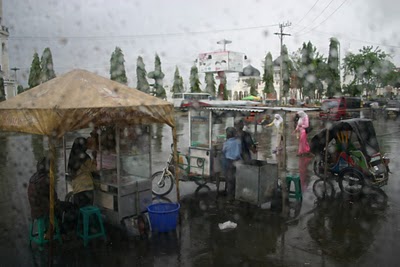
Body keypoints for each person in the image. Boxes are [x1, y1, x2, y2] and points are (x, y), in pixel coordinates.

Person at [68, 137, 97, 208]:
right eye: (85, 145)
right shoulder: (86, 158)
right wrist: (94, 158)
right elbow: (93, 169)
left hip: (76, 188)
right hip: (86, 188)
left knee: (79, 211)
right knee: (87, 210)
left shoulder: (72, 157)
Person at [28, 156, 57, 221]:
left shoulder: (33, 177)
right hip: (43, 211)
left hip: (34, 212)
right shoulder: (45, 180)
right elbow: (54, 197)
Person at [222, 127, 242, 201]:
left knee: (229, 179)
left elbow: (223, 151)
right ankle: (235, 194)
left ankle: (230, 197)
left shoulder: (226, 143)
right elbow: (240, 151)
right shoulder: (238, 141)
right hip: (237, 162)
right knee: (235, 179)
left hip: (229, 162)